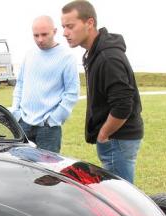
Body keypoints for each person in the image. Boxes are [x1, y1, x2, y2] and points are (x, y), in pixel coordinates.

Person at [61, 1, 144, 183]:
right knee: (118, 195)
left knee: (120, 199)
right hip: (116, 139)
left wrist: (104, 134)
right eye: (63, 27)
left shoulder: (108, 57)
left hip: (117, 138)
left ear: (89, 23)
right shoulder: (97, 53)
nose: (65, 32)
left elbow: (123, 104)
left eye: (70, 26)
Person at [11, 15, 79, 153]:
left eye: (44, 34)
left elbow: (72, 93)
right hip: (23, 123)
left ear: (54, 32)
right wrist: (16, 112)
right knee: (20, 169)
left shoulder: (67, 57)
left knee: (47, 172)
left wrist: (54, 119)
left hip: (48, 128)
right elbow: (20, 85)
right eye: (36, 35)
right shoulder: (29, 54)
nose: (40, 39)